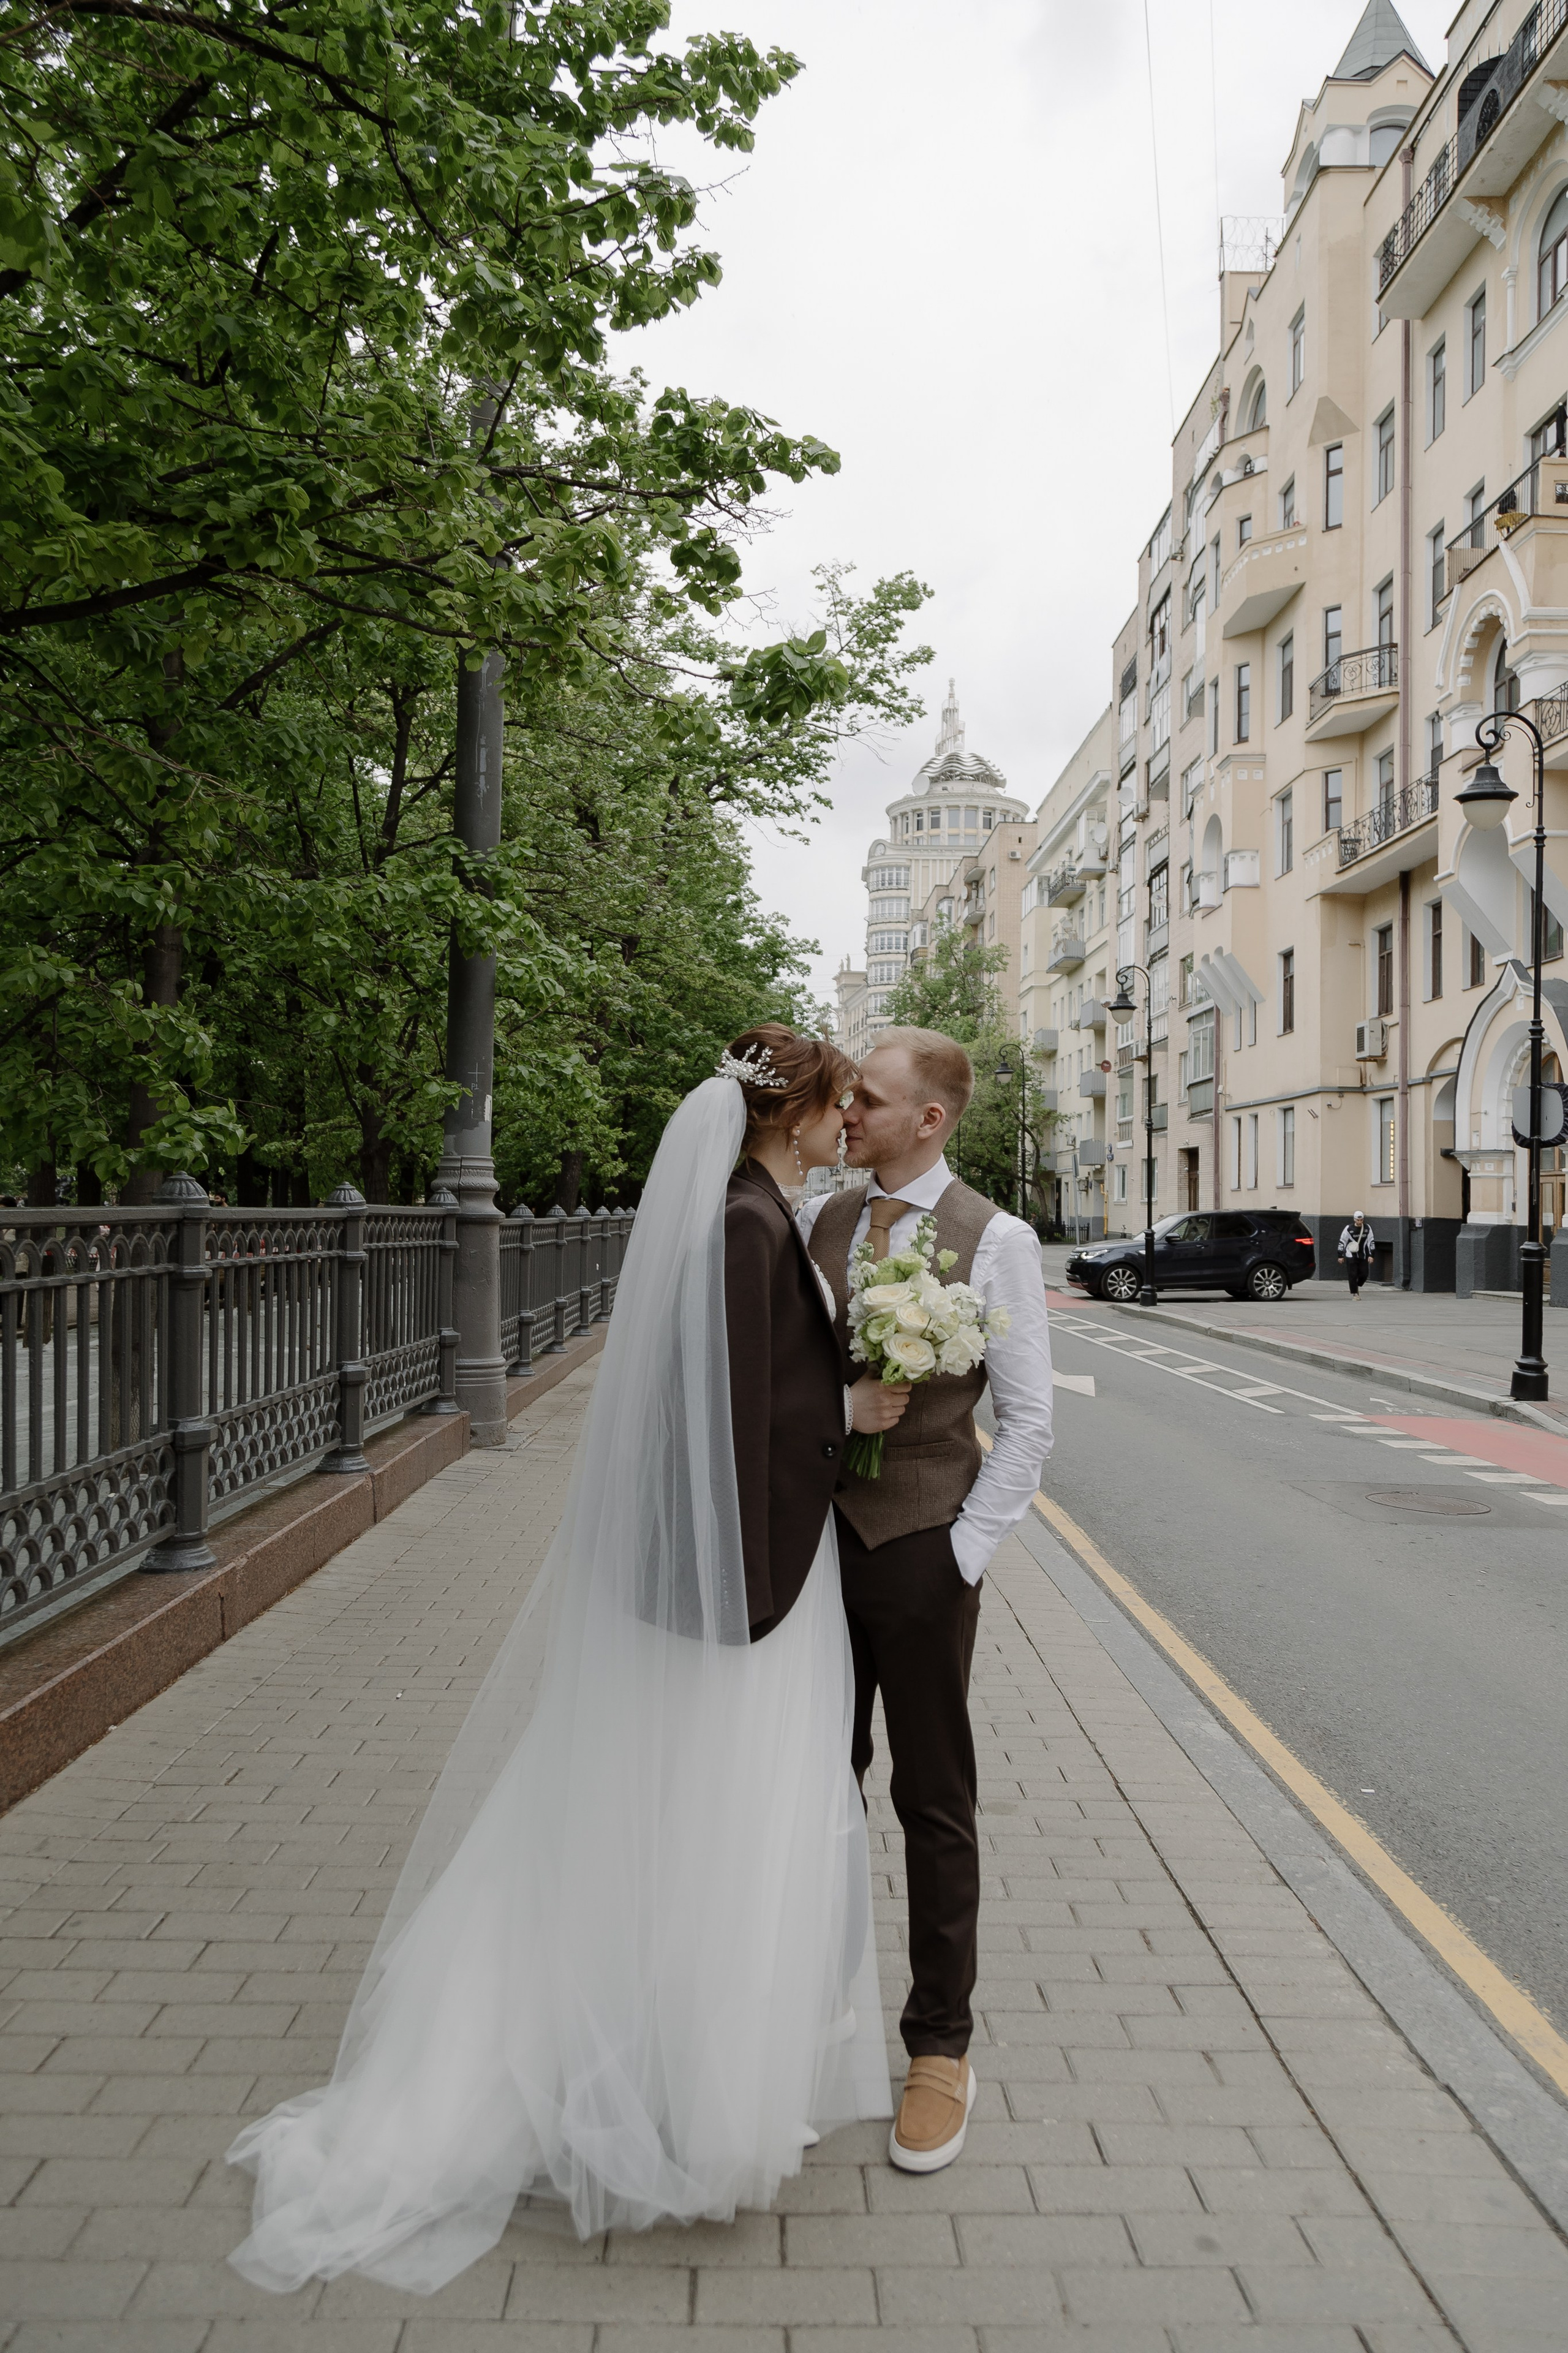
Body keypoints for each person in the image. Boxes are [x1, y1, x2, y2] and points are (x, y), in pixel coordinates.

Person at [227, 1026, 894, 2294]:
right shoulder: (745, 1226)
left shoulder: (756, 1210)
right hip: (745, 1585)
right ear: (787, 1113)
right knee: (714, 1817)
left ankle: (675, 2071)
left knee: (704, 1816)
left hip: (760, 1572)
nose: (844, 1119)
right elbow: (727, 1411)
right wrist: (846, 1412)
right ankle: (669, 2094)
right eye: (833, 1101)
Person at [797, 1026, 1054, 2176]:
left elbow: (1029, 1420)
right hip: (814, 1551)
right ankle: (815, 2013)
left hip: (923, 1549)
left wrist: (963, 1552)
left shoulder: (997, 1239)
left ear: (929, 1119)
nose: (847, 1111)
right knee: (816, 1781)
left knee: (933, 1799)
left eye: (869, 1097)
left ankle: (940, 2048)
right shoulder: (822, 1221)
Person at [1338, 1210, 1375, 1297]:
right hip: (1351, 1255)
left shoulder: (1367, 1228)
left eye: (1361, 1220)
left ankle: (1357, 1285)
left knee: (1364, 1274)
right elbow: (1343, 1241)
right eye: (1358, 1220)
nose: (1359, 1222)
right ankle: (1355, 1293)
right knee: (1353, 1274)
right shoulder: (1349, 1228)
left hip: (1364, 1255)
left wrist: (1371, 1255)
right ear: (1354, 1220)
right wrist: (1340, 1255)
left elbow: (1371, 1241)